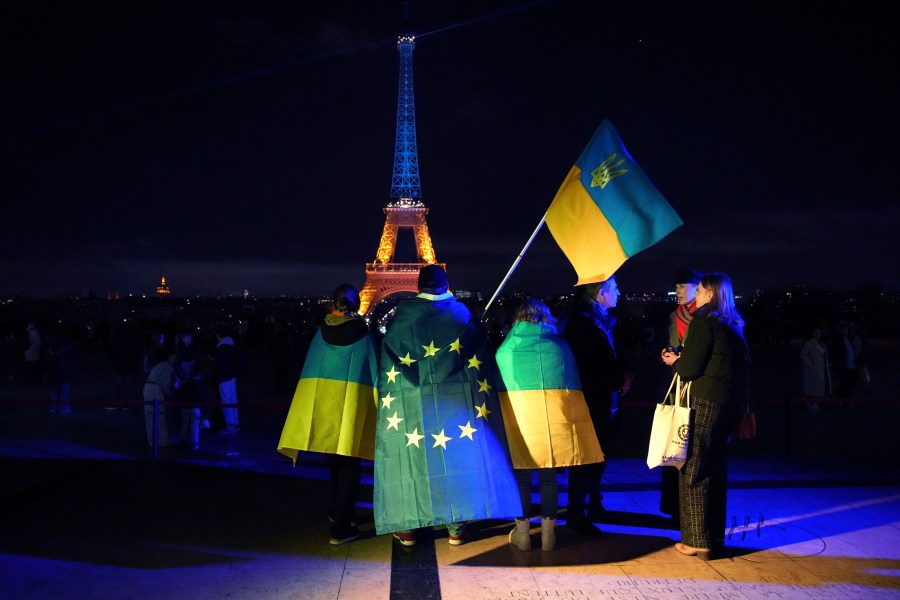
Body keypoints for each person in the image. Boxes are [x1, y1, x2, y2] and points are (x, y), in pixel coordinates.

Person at [373, 265, 520, 547]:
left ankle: (408, 528)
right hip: (457, 403)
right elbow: (481, 357)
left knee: (413, 460)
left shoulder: (403, 317)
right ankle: (456, 526)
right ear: (446, 285)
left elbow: (389, 357)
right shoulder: (462, 315)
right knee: (455, 460)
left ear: (418, 286)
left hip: (413, 403)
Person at [496, 298, 604, 552]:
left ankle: (522, 534)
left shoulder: (506, 349)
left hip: (520, 422)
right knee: (548, 478)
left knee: (522, 478)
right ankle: (548, 536)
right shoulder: (560, 346)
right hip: (553, 422)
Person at [277, 284, 379, 546]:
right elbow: (374, 372)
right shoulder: (364, 335)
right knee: (350, 466)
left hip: (325, 409)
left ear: (335, 304)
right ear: (356, 304)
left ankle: (339, 514)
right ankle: (342, 527)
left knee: (334, 464)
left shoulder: (320, 334)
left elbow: (311, 370)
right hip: (351, 409)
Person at [661, 272, 749, 561]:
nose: (694, 294)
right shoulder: (734, 325)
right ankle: (714, 536)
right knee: (715, 469)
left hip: (704, 401)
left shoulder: (703, 323)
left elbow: (690, 369)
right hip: (727, 405)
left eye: (699, 290)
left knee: (693, 469)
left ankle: (697, 541)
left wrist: (675, 361)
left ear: (710, 294)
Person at [563, 276, 633, 534]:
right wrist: (617, 378)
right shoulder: (582, 323)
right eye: (615, 289)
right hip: (590, 400)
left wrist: (626, 372)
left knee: (600, 453)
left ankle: (593, 502)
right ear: (601, 293)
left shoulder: (603, 320)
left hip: (605, 399)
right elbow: (590, 365)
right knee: (585, 456)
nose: (619, 292)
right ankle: (576, 512)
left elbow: (615, 354)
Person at [659, 268, 703, 526]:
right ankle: (674, 509)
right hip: (676, 389)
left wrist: (680, 359)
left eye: (682, 286)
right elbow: (671, 344)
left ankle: (689, 512)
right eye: (676, 287)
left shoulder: (706, 317)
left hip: (696, 389)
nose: (677, 291)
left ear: (698, 288)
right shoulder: (673, 316)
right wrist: (667, 354)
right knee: (674, 448)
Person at [143, 346, 178, 448]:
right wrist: (170, 394)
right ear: (169, 357)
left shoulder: (160, 365)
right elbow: (165, 384)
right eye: (174, 358)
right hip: (155, 390)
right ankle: (162, 441)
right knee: (160, 416)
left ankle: (152, 441)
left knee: (150, 416)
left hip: (147, 388)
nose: (175, 361)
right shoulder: (168, 366)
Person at [214, 323, 240, 434]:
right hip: (232, 376)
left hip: (224, 378)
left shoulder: (222, 347)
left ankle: (230, 427)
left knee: (226, 402)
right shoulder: (231, 344)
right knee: (233, 401)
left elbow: (221, 365)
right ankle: (235, 424)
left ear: (218, 335)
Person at [799, 326, 830, 410]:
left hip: (820, 369)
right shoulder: (809, 343)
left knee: (816, 387)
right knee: (812, 387)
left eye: (819, 332)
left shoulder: (820, 343)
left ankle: (813, 403)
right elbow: (802, 354)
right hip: (813, 370)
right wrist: (811, 363)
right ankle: (811, 403)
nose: (817, 334)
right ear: (812, 333)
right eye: (815, 332)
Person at [24, 320, 42, 385]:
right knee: (34, 367)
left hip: (27, 351)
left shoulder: (26, 331)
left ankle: (28, 380)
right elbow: (39, 342)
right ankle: (33, 382)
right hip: (33, 352)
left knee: (29, 367)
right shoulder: (34, 331)